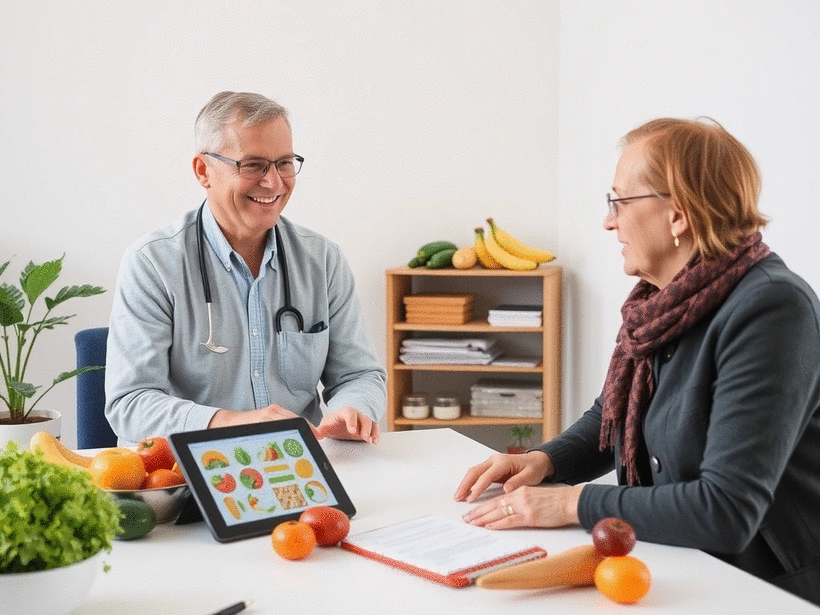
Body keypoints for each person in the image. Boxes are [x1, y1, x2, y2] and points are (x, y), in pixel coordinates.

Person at [455, 118, 820, 605]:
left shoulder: (772, 310)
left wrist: (569, 503)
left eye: (619, 202)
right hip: (678, 567)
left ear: (678, 215)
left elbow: (726, 510)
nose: (609, 222)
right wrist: (544, 461)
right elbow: (615, 414)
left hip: (763, 588)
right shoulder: (661, 304)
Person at [105, 91, 386, 446]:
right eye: (253, 165)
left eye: (284, 163)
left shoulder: (323, 260)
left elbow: (359, 375)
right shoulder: (152, 264)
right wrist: (231, 423)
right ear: (203, 171)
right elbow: (130, 404)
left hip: (295, 464)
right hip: (191, 465)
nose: (274, 182)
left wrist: (352, 409)